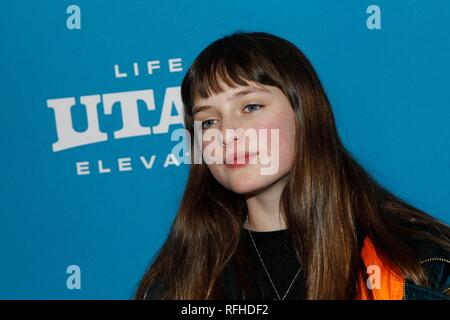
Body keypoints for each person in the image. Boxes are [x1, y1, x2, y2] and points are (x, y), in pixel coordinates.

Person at [135, 31, 450, 300]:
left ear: (305, 112)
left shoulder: (416, 263)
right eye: (209, 120)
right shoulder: (178, 280)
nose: (227, 134)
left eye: (251, 106)